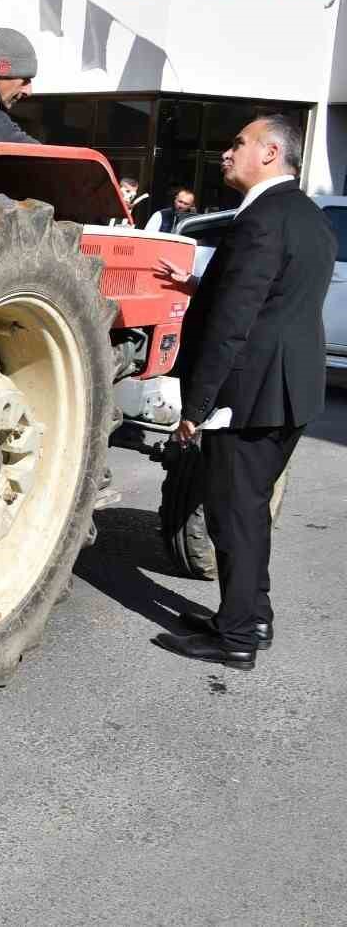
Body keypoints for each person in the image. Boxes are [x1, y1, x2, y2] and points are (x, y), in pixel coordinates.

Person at [151, 116, 336, 670]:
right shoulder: (307, 217)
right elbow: (268, 292)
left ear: (272, 151)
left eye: (238, 143)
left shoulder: (261, 218)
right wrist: (200, 283)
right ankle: (252, 616)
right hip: (288, 389)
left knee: (234, 515)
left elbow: (235, 322)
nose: (227, 153)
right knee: (249, 511)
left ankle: (235, 638)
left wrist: (197, 407)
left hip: (251, 392)